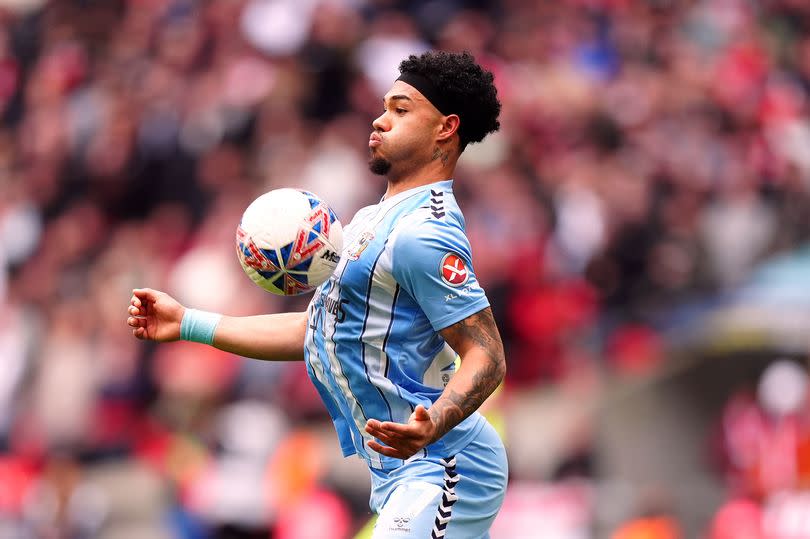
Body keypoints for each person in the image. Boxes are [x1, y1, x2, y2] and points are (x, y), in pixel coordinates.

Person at [127, 50, 507, 538]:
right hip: (399, 474)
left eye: (401, 109)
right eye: (384, 107)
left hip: (448, 467)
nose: (380, 119)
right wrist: (189, 324)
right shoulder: (369, 222)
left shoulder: (424, 233)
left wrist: (433, 423)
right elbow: (315, 329)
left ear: (445, 128)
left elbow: (488, 355)